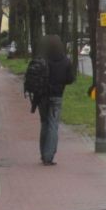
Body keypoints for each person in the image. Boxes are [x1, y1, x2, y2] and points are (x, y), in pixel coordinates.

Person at [38, 35, 75, 165]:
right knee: (53, 125)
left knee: (44, 124)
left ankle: (43, 153)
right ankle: (48, 157)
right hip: (57, 96)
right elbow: (70, 79)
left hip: (43, 96)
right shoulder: (65, 61)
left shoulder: (43, 59)